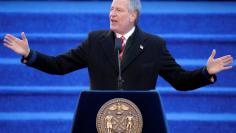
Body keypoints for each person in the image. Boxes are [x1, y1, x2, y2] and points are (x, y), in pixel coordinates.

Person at [3, 0, 233, 91]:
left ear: (133, 15)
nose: (112, 14)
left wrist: (206, 73)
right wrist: (30, 54)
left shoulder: (154, 45)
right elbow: (59, 65)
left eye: (118, 10)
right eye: (111, 9)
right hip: (100, 119)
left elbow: (180, 81)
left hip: (140, 119)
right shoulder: (95, 41)